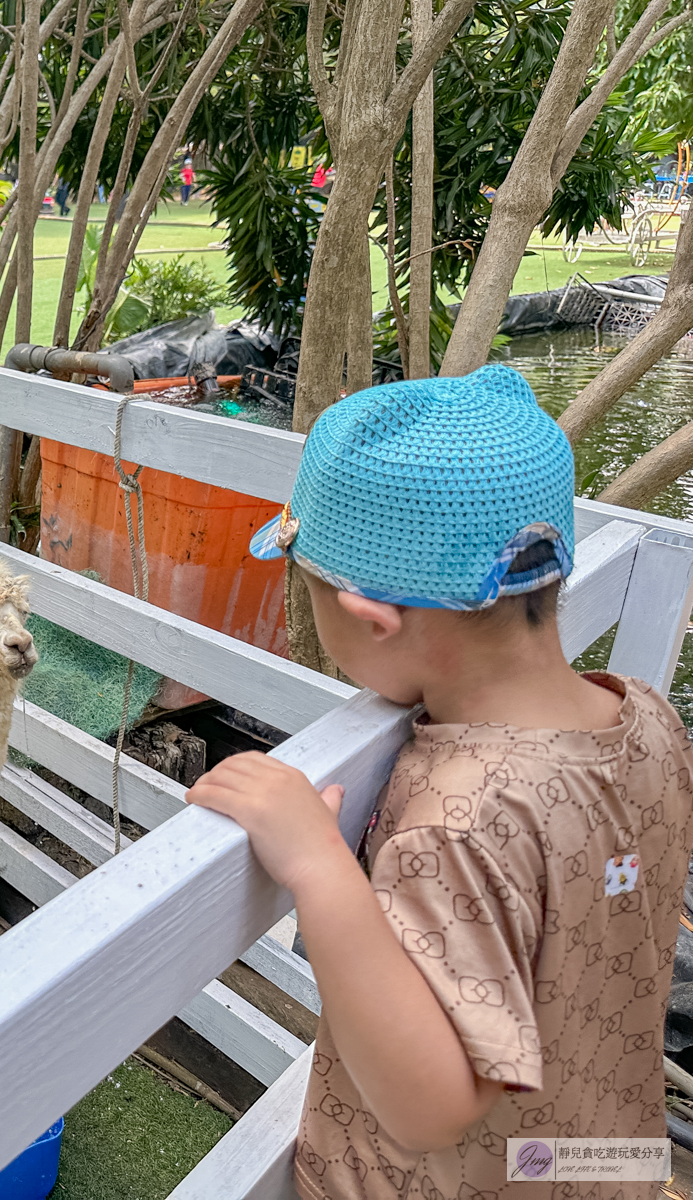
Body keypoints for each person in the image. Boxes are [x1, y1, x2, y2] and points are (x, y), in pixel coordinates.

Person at [187, 364, 693, 1199]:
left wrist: (318, 867)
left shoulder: (459, 821)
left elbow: (431, 1111)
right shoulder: (648, 721)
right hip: (604, 1164)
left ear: (369, 616)